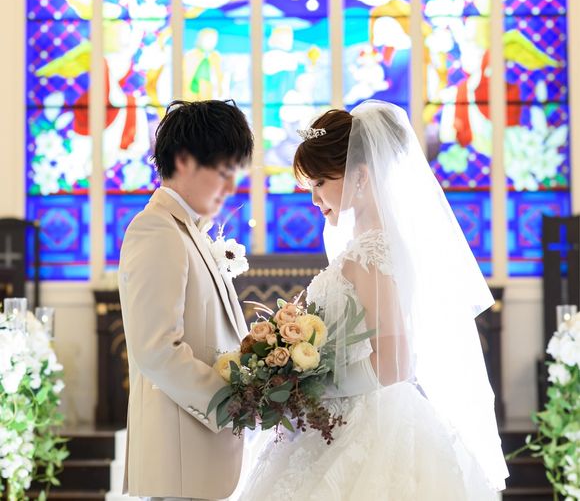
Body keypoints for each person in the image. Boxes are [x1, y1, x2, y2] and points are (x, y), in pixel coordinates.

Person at [238, 100, 508, 500]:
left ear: (360, 176)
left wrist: (311, 387)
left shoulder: (372, 254)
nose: (313, 199)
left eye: (319, 183)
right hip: (341, 421)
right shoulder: (366, 247)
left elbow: (395, 361)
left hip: (367, 425)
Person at [118, 99, 253, 501]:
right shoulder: (156, 229)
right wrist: (231, 404)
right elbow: (156, 349)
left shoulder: (189, 232)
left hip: (199, 464)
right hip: (180, 465)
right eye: (224, 171)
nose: (230, 188)